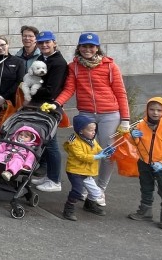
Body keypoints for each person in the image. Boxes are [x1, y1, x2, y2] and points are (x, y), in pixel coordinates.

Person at [53, 32, 130, 199]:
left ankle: (100, 187)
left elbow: (121, 93)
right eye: (84, 46)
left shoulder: (110, 66)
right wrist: (56, 103)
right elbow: (69, 89)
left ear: (97, 48)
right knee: (85, 152)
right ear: (78, 48)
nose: (87, 49)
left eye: (91, 46)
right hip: (86, 115)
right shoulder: (73, 67)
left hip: (109, 114)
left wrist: (125, 119)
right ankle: (89, 185)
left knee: (107, 152)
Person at [128, 97, 162, 230]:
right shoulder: (141, 125)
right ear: (147, 110)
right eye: (152, 109)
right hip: (144, 162)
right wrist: (133, 137)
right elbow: (135, 144)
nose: (155, 113)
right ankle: (145, 211)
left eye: (159, 110)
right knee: (146, 187)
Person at [29, 31, 69, 192]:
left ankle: (55, 180)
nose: (44, 45)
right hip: (39, 104)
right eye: (41, 43)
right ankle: (48, 176)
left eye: (47, 42)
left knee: (51, 144)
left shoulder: (59, 63)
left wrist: (31, 91)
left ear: (54, 43)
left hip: (50, 106)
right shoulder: (41, 59)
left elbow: (51, 91)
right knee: (43, 141)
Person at [62, 114, 112, 221]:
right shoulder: (74, 142)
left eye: (94, 130)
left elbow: (98, 149)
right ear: (81, 131)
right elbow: (81, 156)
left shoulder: (91, 140)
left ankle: (89, 205)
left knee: (96, 193)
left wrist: (104, 151)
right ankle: (68, 209)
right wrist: (97, 156)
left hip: (87, 171)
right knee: (77, 190)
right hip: (75, 171)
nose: (93, 132)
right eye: (90, 130)